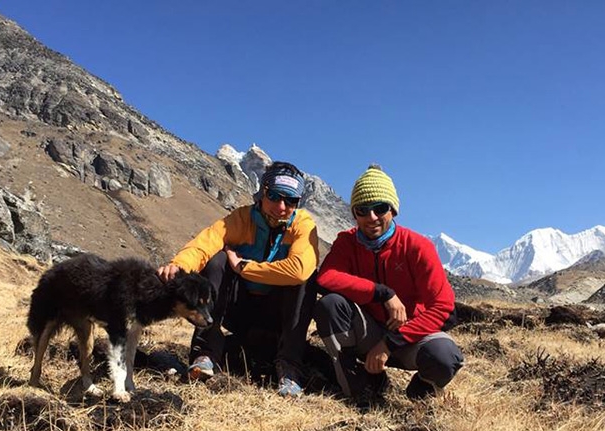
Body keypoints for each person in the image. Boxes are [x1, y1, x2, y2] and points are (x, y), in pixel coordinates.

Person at [157, 161, 319, 397]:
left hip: (277, 314)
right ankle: (205, 353)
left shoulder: (303, 224)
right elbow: (206, 243)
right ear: (262, 192)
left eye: (290, 200)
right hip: (240, 309)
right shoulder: (242, 218)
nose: (281, 207)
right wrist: (180, 265)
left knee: (307, 278)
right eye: (274, 196)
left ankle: (289, 366)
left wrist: (244, 267)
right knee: (217, 260)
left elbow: (299, 270)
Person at [314, 164, 463, 402]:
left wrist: (388, 344)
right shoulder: (346, 243)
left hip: (410, 335)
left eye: (379, 208)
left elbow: (442, 306)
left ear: (392, 210)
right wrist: (382, 293)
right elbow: (326, 277)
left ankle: (423, 388)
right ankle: (360, 381)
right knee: (330, 305)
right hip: (368, 331)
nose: (371, 217)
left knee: (445, 357)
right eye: (362, 210)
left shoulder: (417, 246)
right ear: (354, 213)